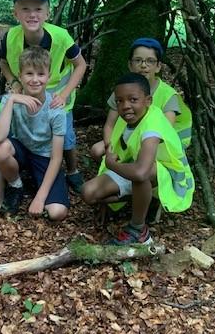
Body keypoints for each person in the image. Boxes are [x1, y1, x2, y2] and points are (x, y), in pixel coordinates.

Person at [81, 73, 195, 245]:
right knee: (88, 192)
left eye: (133, 100)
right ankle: (143, 200)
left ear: (148, 101)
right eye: (120, 101)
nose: (125, 106)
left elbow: (141, 172)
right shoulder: (130, 118)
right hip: (137, 165)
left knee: (141, 175)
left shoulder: (152, 125)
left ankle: (138, 229)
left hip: (169, 174)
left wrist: (111, 164)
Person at [0, 0, 86, 194]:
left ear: (47, 13)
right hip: (27, 91)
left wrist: (64, 94)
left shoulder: (61, 36)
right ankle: (25, 166)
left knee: (66, 136)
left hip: (57, 95)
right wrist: (14, 82)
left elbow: (81, 65)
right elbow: (3, 62)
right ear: (16, 13)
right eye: (25, 9)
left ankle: (72, 171)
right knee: (24, 130)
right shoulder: (10, 37)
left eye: (38, 9)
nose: (32, 15)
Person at [0, 46, 69, 221]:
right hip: (21, 150)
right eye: (29, 74)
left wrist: (40, 198)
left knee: (57, 212)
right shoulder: (10, 100)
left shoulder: (56, 109)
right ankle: (16, 185)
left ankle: (38, 185)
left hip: (44, 157)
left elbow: (57, 157)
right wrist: (12, 100)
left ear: (49, 76)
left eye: (41, 74)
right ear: (20, 76)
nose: (35, 80)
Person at [90, 38, 192, 162]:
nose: (143, 65)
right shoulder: (122, 90)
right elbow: (109, 125)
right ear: (130, 65)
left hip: (157, 146)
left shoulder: (168, 95)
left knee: (138, 162)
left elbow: (163, 132)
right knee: (96, 150)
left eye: (150, 61)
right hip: (127, 136)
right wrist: (109, 148)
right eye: (138, 60)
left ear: (158, 66)